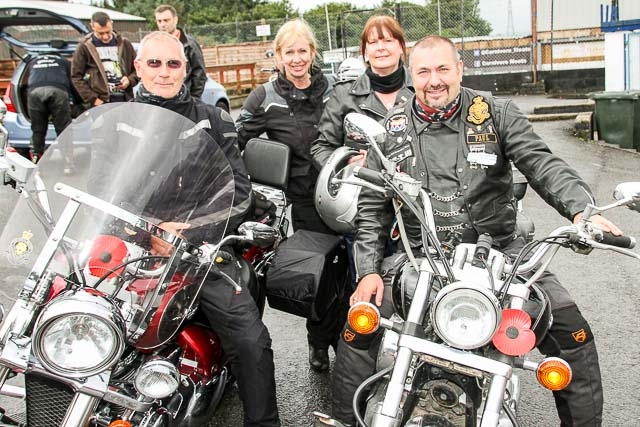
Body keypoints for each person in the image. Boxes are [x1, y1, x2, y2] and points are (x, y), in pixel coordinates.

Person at [328, 35, 624, 427]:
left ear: (460, 69)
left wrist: (581, 211)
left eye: (442, 69)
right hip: (421, 257)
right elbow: (372, 210)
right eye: (424, 71)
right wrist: (367, 269)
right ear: (411, 76)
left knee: (573, 335)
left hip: (503, 253)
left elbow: (541, 163)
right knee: (359, 323)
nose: (434, 80)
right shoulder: (392, 128)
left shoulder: (496, 112)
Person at [132, 31, 279, 426]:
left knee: (251, 340)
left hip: (200, 248)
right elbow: (95, 186)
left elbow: (240, 193)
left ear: (186, 68)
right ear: (138, 67)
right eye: (155, 63)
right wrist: (146, 232)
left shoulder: (213, 119)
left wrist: (188, 232)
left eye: (173, 63)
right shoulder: (119, 120)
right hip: (132, 245)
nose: (164, 72)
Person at [235, 19, 339, 372]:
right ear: (278, 56)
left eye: (302, 51)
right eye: (289, 52)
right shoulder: (265, 96)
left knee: (355, 271)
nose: (296, 58)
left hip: (347, 193)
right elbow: (237, 142)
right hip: (305, 200)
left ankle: (353, 343)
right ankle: (319, 343)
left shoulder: (336, 89)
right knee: (319, 273)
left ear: (312, 53)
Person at [311, 15, 413, 289]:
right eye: (373, 41)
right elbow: (321, 146)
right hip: (363, 209)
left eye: (388, 40)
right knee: (367, 289)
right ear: (365, 52)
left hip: (415, 208)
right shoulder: (344, 94)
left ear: (401, 46)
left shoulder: (421, 90)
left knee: (414, 288)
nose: (380, 47)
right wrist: (347, 166)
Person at [71, 11, 138, 108]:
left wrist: (129, 80)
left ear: (111, 23)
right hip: (100, 103)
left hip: (124, 100)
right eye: (100, 33)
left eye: (108, 32)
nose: (105, 37)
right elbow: (76, 76)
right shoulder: (84, 46)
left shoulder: (124, 43)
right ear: (92, 26)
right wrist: (93, 99)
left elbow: (138, 69)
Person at [26, 52, 74, 172]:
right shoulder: (64, 62)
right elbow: (73, 81)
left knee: (38, 129)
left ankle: (36, 159)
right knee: (63, 129)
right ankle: (68, 163)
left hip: (35, 93)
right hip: (57, 91)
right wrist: (79, 102)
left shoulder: (33, 62)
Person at [154, 4, 207, 99]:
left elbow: (199, 74)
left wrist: (193, 99)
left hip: (185, 100)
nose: (162, 24)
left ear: (175, 20)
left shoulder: (189, 44)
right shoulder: (154, 45)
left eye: (166, 20)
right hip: (162, 101)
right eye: (159, 21)